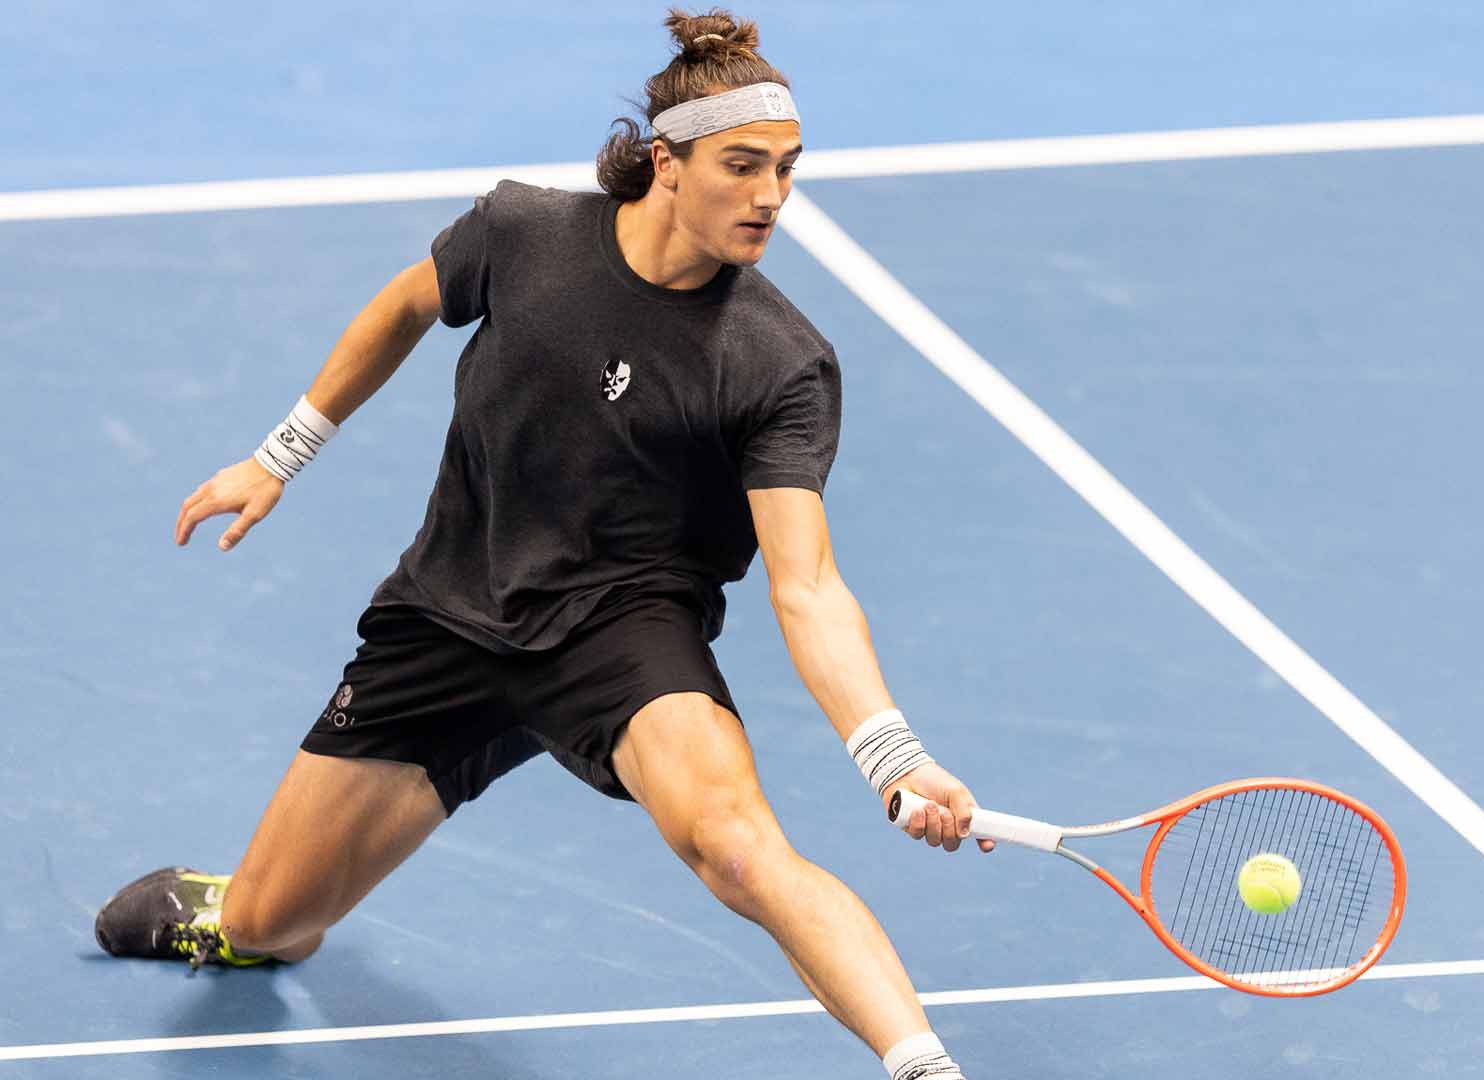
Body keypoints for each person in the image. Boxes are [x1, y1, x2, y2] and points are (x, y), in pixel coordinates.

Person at [92, 10, 983, 1080]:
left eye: (787, 170)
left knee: (743, 852)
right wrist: (279, 454)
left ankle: (924, 1065)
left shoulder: (777, 361)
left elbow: (810, 585)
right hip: (449, 612)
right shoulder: (523, 234)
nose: (771, 198)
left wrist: (890, 754)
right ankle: (231, 907)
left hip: (622, 638)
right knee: (272, 924)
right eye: (743, 167)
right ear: (667, 160)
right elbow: (403, 307)